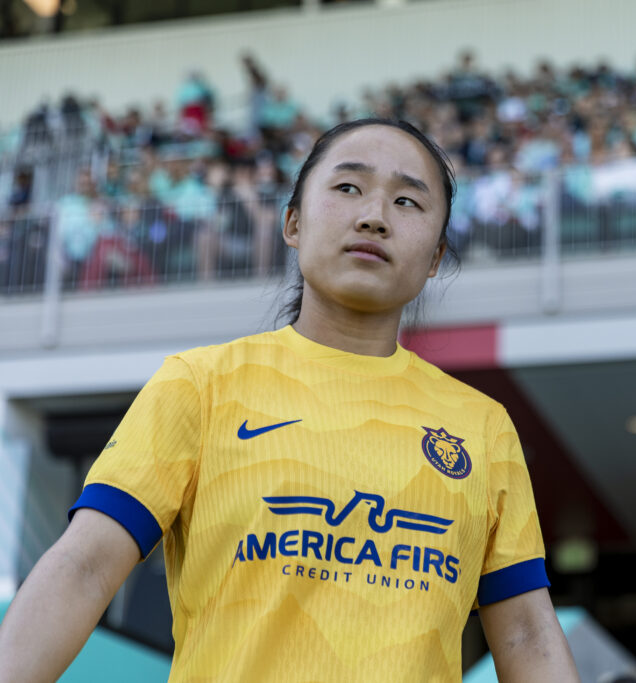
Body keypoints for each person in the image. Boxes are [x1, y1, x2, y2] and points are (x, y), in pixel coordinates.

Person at [0, 119, 579, 682]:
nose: (373, 217)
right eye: (348, 188)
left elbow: (527, 631)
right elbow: (84, 568)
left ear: (434, 259)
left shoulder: (482, 428)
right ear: (293, 223)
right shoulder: (198, 384)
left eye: (407, 203)